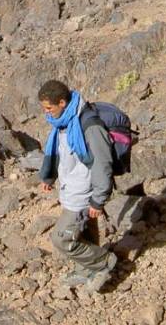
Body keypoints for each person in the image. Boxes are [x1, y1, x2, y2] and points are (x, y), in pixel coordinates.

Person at [37, 79, 118, 291]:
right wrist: (49, 177)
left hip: (84, 192)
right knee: (84, 233)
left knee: (62, 238)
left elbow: (102, 163)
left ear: (62, 103)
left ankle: (103, 263)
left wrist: (98, 200)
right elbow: (60, 152)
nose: (46, 112)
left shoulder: (89, 125)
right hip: (72, 188)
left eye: (48, 108)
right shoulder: (64, 122)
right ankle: (86, 269)